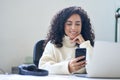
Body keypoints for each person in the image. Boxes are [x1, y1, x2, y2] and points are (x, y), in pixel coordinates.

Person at [38, 6, 95, 74]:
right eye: (69, 24)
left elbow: (96, 68)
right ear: (62, 25)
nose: (74, 28)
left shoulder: (86, 44)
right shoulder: (53, 44)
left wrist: (84, 44)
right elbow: (43, 67)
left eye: (77, 24)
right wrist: (68, 67)